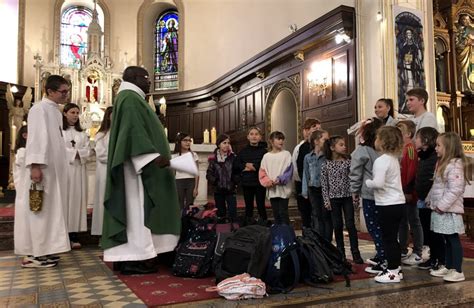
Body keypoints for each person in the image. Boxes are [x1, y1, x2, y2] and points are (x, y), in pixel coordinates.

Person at [101, 66, 181, 275]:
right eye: (147, 78)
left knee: (138, 212)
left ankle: (136, 256)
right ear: (135, 78)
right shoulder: (129, 98)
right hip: (137, 171)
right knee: (136, 211)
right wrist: (152, 157)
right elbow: (133, 132)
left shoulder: (131, 98)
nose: (149, 83)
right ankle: (132, 258)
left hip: (141, 166)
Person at [14, 75, 71, 268]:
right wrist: (36, 165)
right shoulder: (39, 109)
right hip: (42, 170)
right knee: (38, 209)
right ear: (50, 91)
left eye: (67, 91)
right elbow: (36, 138)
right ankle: (35, 254)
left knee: (49, 210)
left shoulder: (54, 111)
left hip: (53, 171)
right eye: (63, 91)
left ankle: (46, 250)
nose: (66, 95)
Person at [427, 132, 469, 282]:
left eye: (439, 145)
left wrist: (442, 206)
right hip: (441, 209)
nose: (436, 148)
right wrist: (429, 199)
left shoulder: (455, 165)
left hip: (449, 210)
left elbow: (455, 189)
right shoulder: (443, 164)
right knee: (446, 239)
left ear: (449, 147)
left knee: (452, 239)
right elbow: (437, 185)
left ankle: (457, 270)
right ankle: (449, 266)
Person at [366, 126, 405, 283]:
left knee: (388, 239)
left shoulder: (381, 161)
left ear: (382, 141)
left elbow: (379, 183)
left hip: (387, 205)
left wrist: (368, 182)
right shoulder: (393, 159)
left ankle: (392, 272)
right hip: (397, 203)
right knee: (392, 239)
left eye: (377, 138)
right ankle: (396, 268)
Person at [349, 117, 385, 272]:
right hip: (386, 194)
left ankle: (384, 258)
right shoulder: (385, 150)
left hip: (370, 194)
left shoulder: (362, 151)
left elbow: (355, 173)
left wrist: (354, 192)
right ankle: (382, 254)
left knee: (374, 227)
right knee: (383, 227)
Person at [321, 136, 363, 264]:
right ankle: (340, 253)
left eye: (344, 144)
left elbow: (353, 179)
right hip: (334, 198)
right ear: (332, 148)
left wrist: (355, 196)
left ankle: (355, 252)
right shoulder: (326, 165)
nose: (344, 147)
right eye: (341, 144)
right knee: (337, 226)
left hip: (347, 197)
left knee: (350, 224)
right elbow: (324, 184)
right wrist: (326, 200)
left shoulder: (348, 162)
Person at [414, 127, 445, 271]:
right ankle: (432, 258)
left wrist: (428, 196)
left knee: (434, 232)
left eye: (417, 137)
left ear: (425, 140)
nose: (415, 140)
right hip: (421, 199)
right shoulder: (422, 155)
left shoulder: (434, 157)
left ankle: (439, 259)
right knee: (426, 230)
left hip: (430, 200)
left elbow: (433, 180)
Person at [62, 103, 90, 249]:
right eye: (72, 112)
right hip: (65, 170)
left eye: (77, 113)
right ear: (65, 113)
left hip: (79, 171)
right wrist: (75, 153)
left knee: (77, 202)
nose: (75, 115)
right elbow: (59, 148)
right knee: (65, 201)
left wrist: (80, 153)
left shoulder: (82, 133)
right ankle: (63, 236)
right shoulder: (60, 131)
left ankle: (74, 235)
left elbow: (88, 149)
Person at [396, 120, 424, 266]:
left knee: (414, 221)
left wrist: (407, 190)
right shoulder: (401, 147)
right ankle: (402, 248)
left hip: (409, 191)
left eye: (400, 130)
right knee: (402, 221)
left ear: (408, 133)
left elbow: (411, 171)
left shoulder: (410, 148)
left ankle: (418, 251)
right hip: (401, 190)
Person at [302, 129, 333, 241]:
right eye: (324, 139)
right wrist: (305, 191)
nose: (327, 141)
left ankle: (327, 241)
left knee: (326, 215)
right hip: (313, 189)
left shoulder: (328, 156)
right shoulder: (308, 157)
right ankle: (319, 240)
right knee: (316, 215)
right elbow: (306, 175)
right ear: (316, 141)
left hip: (326, 189)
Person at [234, 126, 268, 222]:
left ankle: (263, 224)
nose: (254, 136)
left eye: (256, 134)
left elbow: (264, 164)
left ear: (260, 137)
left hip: (259, 182)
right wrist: (245, 165)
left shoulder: (264, 152)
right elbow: (236, 164)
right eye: (251, 134)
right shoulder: (243, 151)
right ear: (248, 137)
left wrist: (254, 167)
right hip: (247, 182)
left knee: (261, 205)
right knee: (248, 206)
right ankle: (249, 226)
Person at [259, 131, 293, 225]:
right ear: (271, 141)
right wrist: (268, 182)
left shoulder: (286, 154)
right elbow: (262, 173)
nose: (281, 141)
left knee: (283, 213)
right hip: (272, 189)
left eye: (282, 139)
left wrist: (280, 180)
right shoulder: (266, 157)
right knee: (276, 213)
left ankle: (287, 235)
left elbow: (289, 171)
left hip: (283, 189)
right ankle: (279, 235)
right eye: (278, 139)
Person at [292, 118, 321, 228]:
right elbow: (298, 168)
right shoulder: (300, 148)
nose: (317, 131)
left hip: (318, 185)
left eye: (319, 128)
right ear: (305, 131)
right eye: (314, 128)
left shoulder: (322, 147)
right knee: (306, 214)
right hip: (303, 184)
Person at [91, 106, 113, 236]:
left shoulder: (121, 131)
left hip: (119, 170)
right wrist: (116, 158)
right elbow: (101, 154)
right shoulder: (101, 134)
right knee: (104, 199)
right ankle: (103, 232)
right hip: (105, 170)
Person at [207, 134, 238, 219]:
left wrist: (234, 182)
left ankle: (233, 229)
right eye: (224, 143)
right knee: (220, 213)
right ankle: (222, 230)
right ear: (219, 144)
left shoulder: (233, 157)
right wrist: (216, 181)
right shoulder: (213, 158)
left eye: (228, 143)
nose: (227, 145)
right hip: (218, 189)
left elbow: (237, 172)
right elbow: (209, 174)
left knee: (233, 212)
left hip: (230, 189)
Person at [172, 132, 199, 210]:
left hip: (191, 181)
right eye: (185, 140)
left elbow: (196, 173)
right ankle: (180, 221)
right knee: (179, 204)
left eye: (189, 140)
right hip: (178, 181)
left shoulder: (193, 155)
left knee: (189, 204)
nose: (188, 142)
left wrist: (196, 188)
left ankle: (188, 221)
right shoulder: (174, 156)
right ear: (179, 142)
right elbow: (173, 173)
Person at [455, 14, 474, 93]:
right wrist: (466, 42)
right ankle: (464, 87)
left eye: (467, 19)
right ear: (460, 20)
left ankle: (471, 86)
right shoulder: (457, 30)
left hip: (470, 54)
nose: (466, 21)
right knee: (464, 70)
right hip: (462, 54)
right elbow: (456, 44)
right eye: (464, 19)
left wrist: (471, 42)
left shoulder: (470, 30)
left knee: (471, 69)